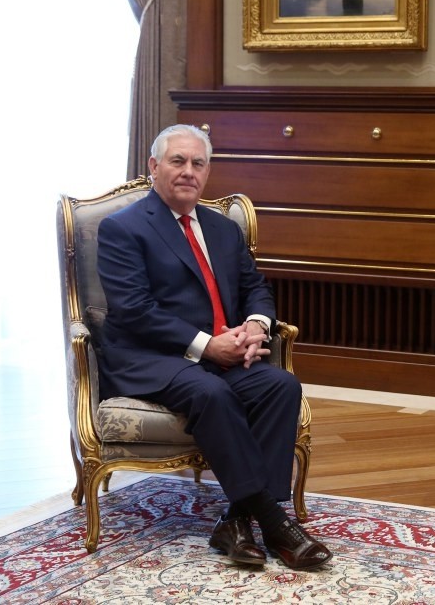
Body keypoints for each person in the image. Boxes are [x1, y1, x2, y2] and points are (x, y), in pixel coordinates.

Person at [96, 124, 332, 570]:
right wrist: (209, 347)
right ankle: (273, 520)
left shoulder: (223, 229)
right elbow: (134, 310)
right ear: (154, 167)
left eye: (198, 163)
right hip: (151, 357)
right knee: (212, 393)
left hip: (221, 353)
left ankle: (235, 520)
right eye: (177, 161)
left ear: (207, 172)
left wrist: (257, 327)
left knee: (280, 385)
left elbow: (255, 288)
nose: (188, 171)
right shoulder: (122, 229)